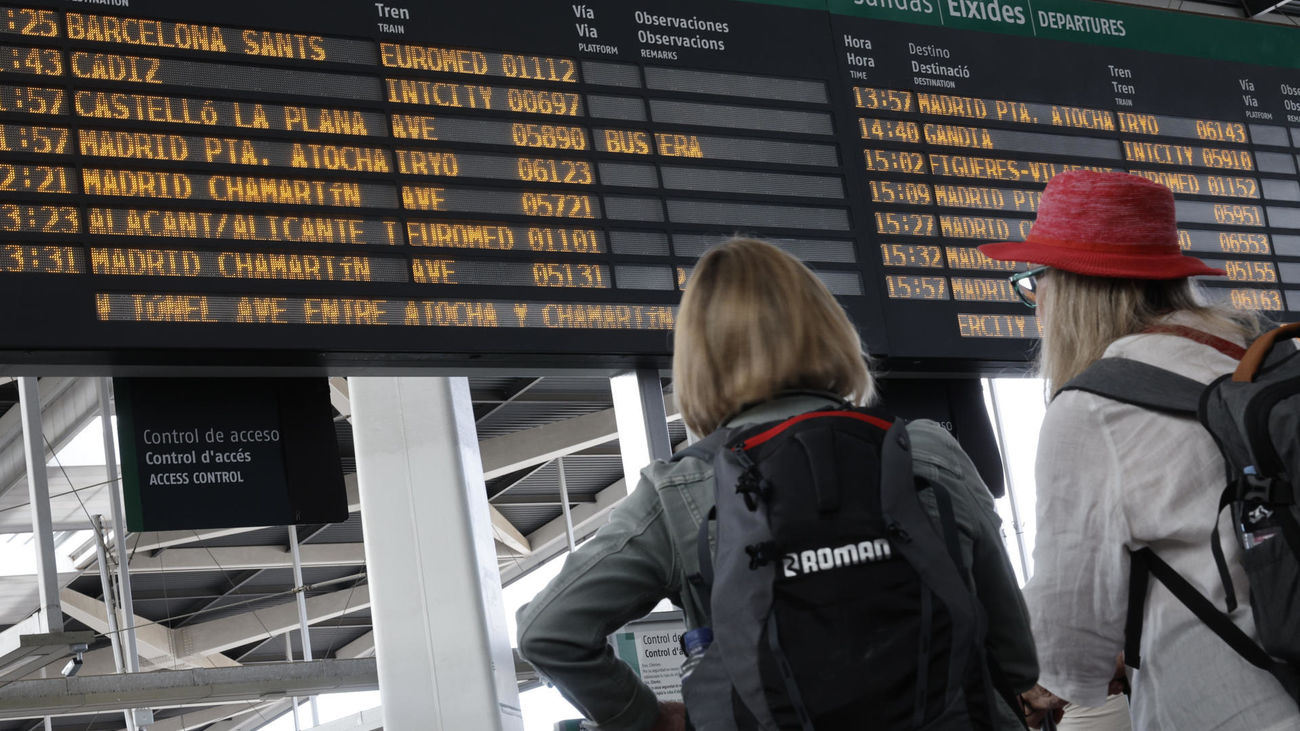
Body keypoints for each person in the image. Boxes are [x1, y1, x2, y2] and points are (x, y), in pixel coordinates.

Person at [516, 236, 1038, 730]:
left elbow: (548, 632)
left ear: (698, 361)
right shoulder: (926, 451)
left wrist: (644, 716)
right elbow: (1016, 657)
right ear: (829, 329)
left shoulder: (682, 493)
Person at [978, 170, 1300, 730]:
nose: (1035, 301)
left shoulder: (1094, 408)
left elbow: (1070, 643)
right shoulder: (1266, 352)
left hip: (1229, 707)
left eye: (1036, 280)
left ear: (1069, 289)